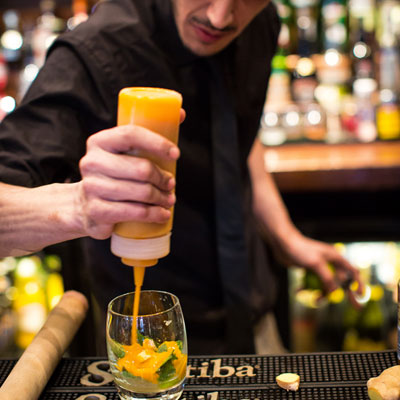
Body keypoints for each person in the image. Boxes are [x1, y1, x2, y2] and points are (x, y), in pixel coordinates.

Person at [0, 0, 362, 355]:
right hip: (148, 340)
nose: (220, 17)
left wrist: (285, 236)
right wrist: (79, 206)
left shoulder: (262, 22)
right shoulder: (97, 48)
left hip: (255, 319)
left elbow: (238, 139)